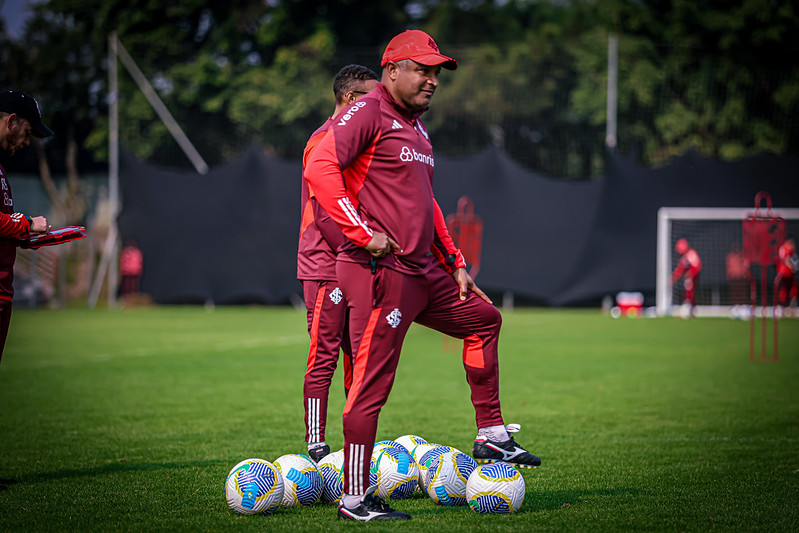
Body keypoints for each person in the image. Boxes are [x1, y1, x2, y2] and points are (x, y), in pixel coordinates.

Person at [305, 30, 541, 521]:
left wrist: (454, 260)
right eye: (423, 70)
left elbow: (426, 204)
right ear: (391, 70)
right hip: (379, 271)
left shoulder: (415, 127)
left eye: (437, 72)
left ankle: (492, 435)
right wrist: (360, 230)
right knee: (372, 384)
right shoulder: (368, 110)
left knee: (484, 320)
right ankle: (355, 497)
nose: (433, 80)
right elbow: (321, 168)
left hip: (423, 271)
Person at [298, 65, 377, 463]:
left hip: (353, 261)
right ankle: (316, 445)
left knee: (358, 352)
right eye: (368, 97)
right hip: (325, 264)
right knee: (324, 352)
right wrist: (361, 245)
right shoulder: (325, 140)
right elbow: (325, 210)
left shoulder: (357, 141)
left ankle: (355, 440)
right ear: (348, 99)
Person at [0, 89, 54, 491]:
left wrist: (24, 236)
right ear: (10, 120)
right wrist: (23, 225)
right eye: (26, 134)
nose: (25, 143)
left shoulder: (1, 167)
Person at [671, 238, 702, 316]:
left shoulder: (691, 253)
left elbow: (697, 266)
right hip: (689, 277)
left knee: (689, 289)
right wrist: (674, 277)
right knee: (688, 289)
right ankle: (691, 308)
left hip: (693, 277)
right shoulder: (683, 257)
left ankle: (688, 307)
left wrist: (691, 274)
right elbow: (680, 269)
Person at [775, 238, 798, 315]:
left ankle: (791, 307)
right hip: (784, 273)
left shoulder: (792, 252)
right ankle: (781, 307)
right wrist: (792, 266)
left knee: (793, 290)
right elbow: (786, 260)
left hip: (790, 274)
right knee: (783, 290)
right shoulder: (784, 249)